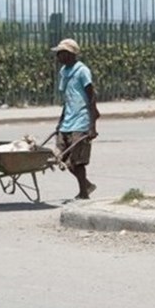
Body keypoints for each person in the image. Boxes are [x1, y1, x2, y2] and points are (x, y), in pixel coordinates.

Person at [52, 38, 99, 200]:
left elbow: (92, 97)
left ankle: (83, 193)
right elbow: (67, 99)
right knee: (62, 157)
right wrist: (60, 122)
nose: (58, 57)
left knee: (77, 161)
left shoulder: (82, 71)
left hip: (82, 120)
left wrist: (92, 125)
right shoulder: (63, 72)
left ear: (70, 54)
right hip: (68, 121)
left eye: (61, 53)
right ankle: (86, 185)